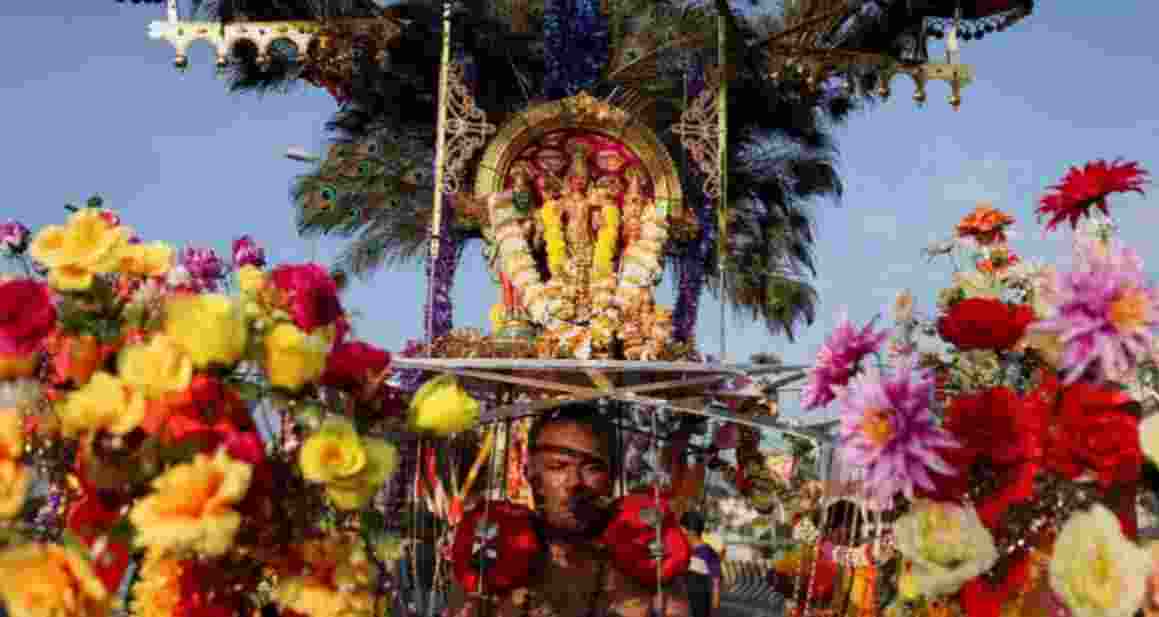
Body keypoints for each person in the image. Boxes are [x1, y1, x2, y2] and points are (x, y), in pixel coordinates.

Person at [447, 402, 690, 617]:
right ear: (530, 474)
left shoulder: (647, 558)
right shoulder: (492, 554)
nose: (574, 482)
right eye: (557, 466)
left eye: (592, 468)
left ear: (613, 476)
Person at [680, 512, 721, 617]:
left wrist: (715, 600)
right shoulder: (683, 550)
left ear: (686, 530)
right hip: (685, 601)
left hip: (699, 601)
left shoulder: (705, 552)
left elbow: (716, 579)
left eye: (681, 528)